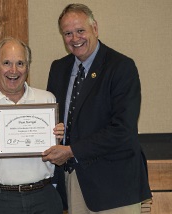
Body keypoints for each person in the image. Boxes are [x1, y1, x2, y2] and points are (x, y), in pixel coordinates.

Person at [42, 3, 152, 214]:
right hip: (74, 181)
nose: (75, 38)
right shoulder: (59, 68)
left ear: (95, 28)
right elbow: (54, 119)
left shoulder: (121, 67)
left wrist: (71, 150)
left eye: (80, 30)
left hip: (115, 185)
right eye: (68, 33)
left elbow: (123, 129)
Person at [0, 37, 64, 214]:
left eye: (20, 63)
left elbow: (59, 157)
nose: (13, 70)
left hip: (43, 198)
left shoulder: (47, 100)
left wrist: (58, 144)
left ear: (27, 67)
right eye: (6, 63)